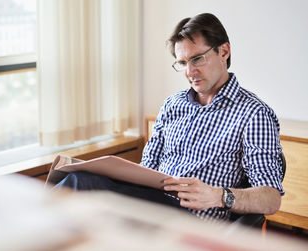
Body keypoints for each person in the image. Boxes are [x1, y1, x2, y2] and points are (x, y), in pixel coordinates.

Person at [56, 13, 284, 221]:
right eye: (182, 63)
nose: (189, 72)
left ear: (224, 51)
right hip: (150, 206)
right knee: (80, 189)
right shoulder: (173, 105)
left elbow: (271, 198)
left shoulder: (254, 114)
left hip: (190, 220)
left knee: (81, 183)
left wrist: (218, 196)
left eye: (197, 59)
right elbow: (146, 168)